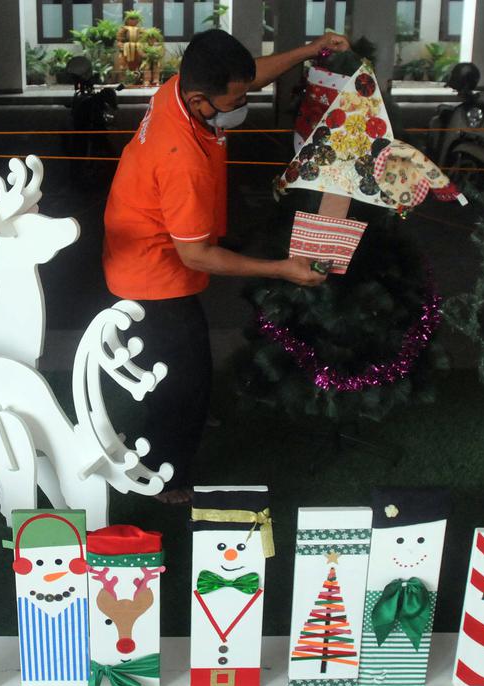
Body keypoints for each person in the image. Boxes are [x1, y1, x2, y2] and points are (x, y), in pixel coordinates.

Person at [103, 29, 348, 504]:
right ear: (200, 100)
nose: (243, 102)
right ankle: (162, 478)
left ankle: (177, 412)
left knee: (176, 367)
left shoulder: (179, 88)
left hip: (141, 237)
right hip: (152, 272)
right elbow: (195, 256)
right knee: (182, 378)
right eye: (235, 98)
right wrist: (283, 269)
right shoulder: (182, 160)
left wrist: (308, 48)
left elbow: (249, 75)